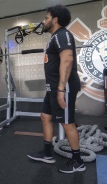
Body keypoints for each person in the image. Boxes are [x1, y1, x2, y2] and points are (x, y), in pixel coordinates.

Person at [27, 5, 85, 173]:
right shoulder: (55, 37)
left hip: (63, 86)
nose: (43, 21)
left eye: (46, 18)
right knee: (45, 116)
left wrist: (61, 90)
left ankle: (78, 161)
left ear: (55, 20)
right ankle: (47, 153)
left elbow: (67, 61)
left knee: (67, 123)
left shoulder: (62, 35)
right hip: (53, 87)